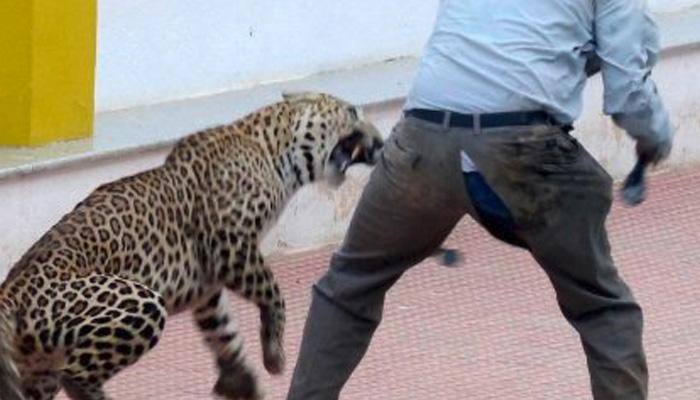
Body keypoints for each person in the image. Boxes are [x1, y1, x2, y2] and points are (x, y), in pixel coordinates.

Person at [287, 1, 673, 399]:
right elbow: (628, 88)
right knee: (603, 308)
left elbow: (505, 41)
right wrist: (655, 135)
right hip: (522, 149)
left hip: (422, 138)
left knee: (349, 285)